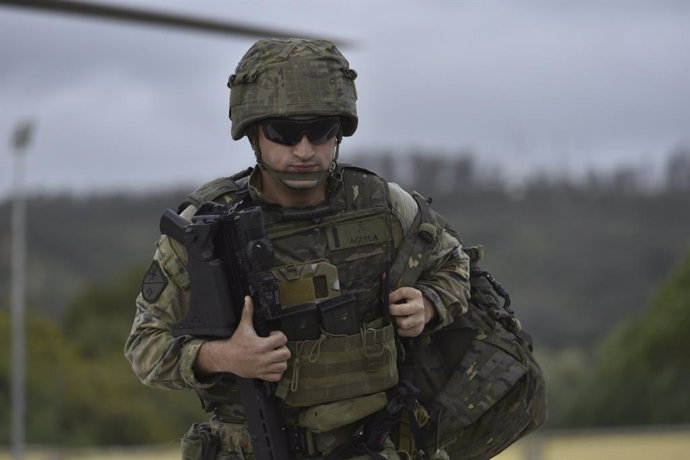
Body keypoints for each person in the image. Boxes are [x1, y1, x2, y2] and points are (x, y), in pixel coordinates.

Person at [126, 38, 508, 459]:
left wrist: (430, 303)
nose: (304, 150)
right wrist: (224, 356)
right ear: (253, 133)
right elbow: (146, 347)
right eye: (285, 134)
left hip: (374, 443)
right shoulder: (207, 233)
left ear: (340, 131)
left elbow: (457, 267)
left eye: (321, 131)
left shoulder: (386, 207)